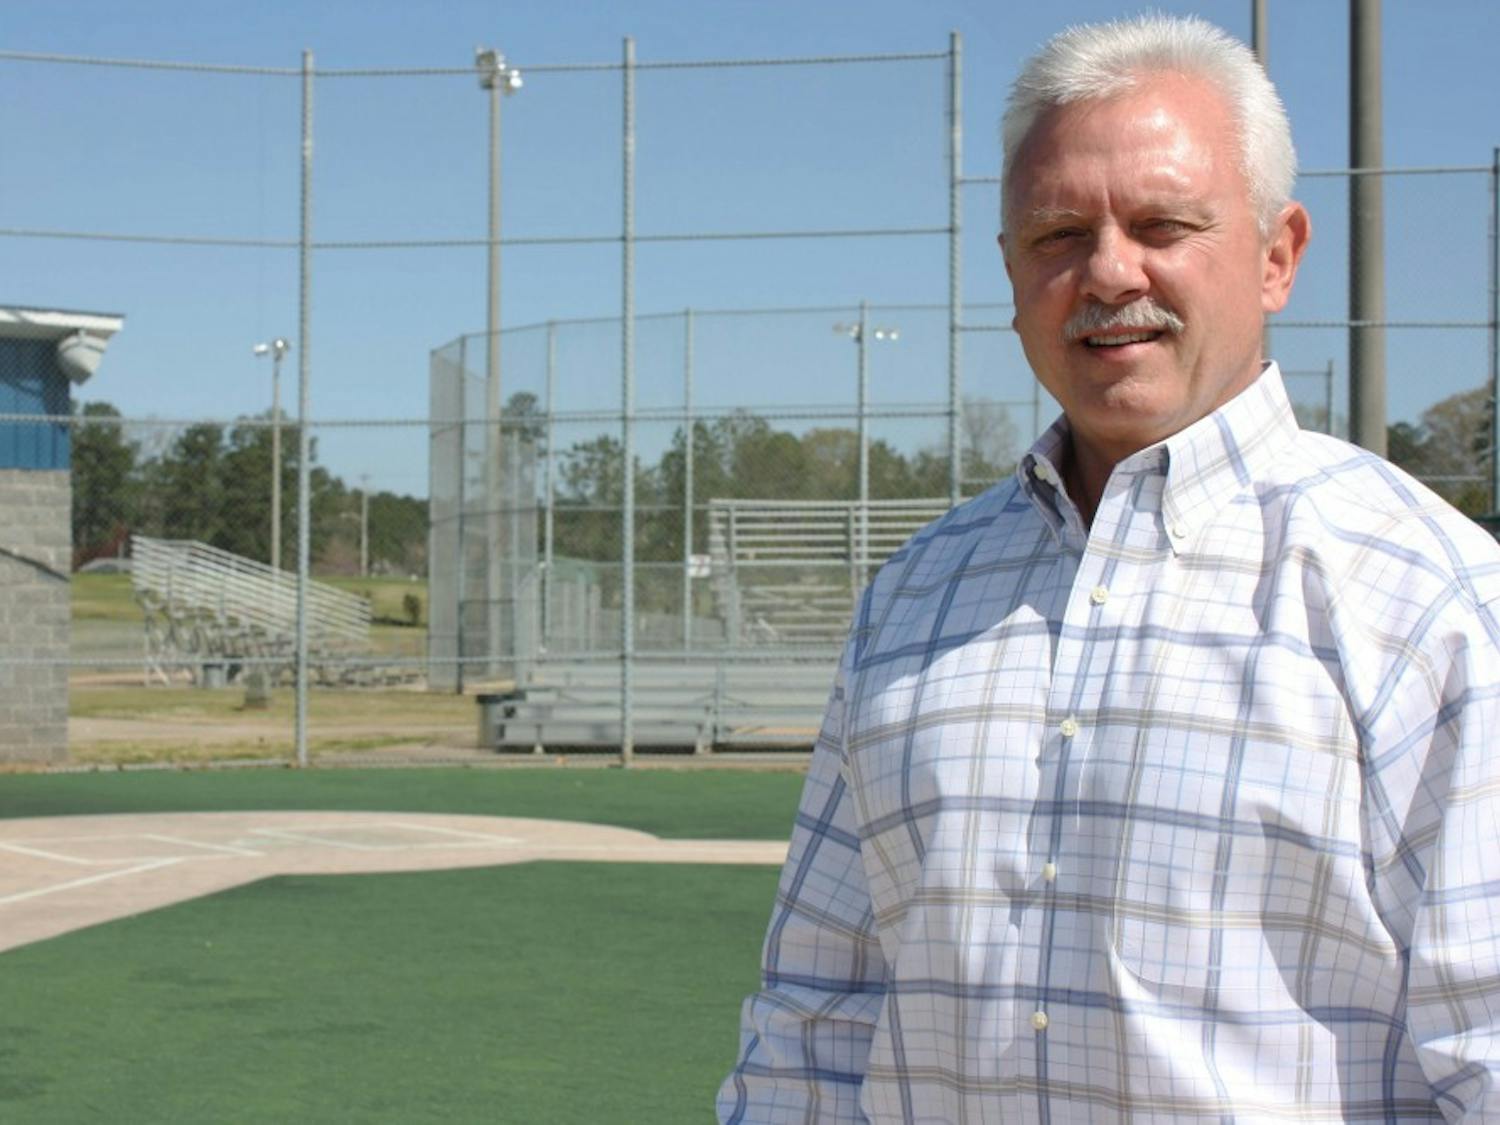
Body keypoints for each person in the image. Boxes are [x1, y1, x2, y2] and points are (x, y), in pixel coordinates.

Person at [719, 13, 1500, 1123]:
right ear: (1010, 268)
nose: (1107, 271)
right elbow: (819, 1013)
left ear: (1277, 256)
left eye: (1165, 223)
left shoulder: (1428, 602)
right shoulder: (916, 598)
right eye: (1058, 234)